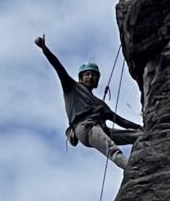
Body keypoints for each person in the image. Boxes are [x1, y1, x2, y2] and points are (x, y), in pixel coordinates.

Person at [35, 36, 142, 168]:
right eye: (87, 74)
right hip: (85, 128)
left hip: (100, 128)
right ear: (80, 78)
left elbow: (120, 121)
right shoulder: (72, 88)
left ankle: (143, 136)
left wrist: (139, 127)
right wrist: (45, 49)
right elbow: (58, 68)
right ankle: (130, 167)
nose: (90, 77)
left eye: (93, 75)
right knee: (111, 148)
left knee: (139, 136)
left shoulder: (100, 105)